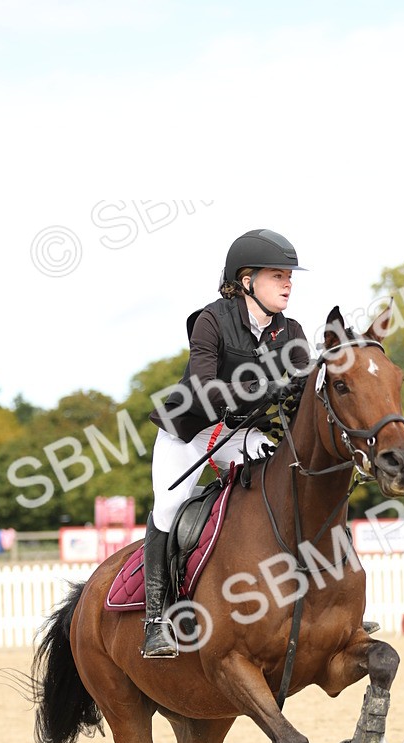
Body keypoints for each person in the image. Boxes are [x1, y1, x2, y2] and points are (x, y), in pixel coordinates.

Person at [144, 229, 312, 658]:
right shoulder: (212, 320)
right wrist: (263, 387)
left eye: (289, 277)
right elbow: (203, 387)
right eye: (278, 276)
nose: (288, 284)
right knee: (169, 507)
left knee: (291, 485)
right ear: (247, 280)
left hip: (239, 432)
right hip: (189, 430)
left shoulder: (290, 331)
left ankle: (318, 598)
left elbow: (305, 388)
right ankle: (155, 621)